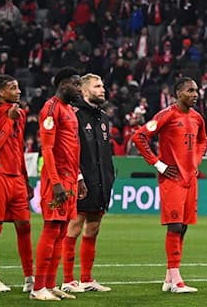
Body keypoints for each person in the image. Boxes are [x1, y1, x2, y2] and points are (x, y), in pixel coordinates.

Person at [133, 77, 207, 293]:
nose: (195, 94)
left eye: (196, 91)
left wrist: (196, 161)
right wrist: (158, 164)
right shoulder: (167, 114)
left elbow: (203, 141)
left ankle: (169, 279)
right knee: (174, 226)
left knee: (183, 227)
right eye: (190, 91)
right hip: (171, 178)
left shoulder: (197, 118)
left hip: (189, 179)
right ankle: (176, 280)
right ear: (178, 93)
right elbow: (139, 137)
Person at [32, 67, 87, 301]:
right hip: (56, 180)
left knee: (62, 231)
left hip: (70, 178)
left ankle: (50, 284)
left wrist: (79, 178)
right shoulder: (51, 108)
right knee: (52, 228)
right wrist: (55, 182)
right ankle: (37, 288)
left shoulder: (70, 111)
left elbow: (73, 148)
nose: (79, 89)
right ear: (63, 84)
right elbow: (47, 148)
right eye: (75, 84)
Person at [0, 74, 34, 294]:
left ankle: (29, 278)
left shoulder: (19, 113)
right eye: (13, 88)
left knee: (25, 226)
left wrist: (26, 180)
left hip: (16, 178)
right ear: (1, 92)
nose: (18, 91)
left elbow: (18, 149)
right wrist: (9, 120)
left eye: (18, 87)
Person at [61, 74, 116, 293]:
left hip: (101, 179)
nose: (103, 89)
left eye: (102, 85)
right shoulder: (73, 115)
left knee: (93, 228)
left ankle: (86, 279)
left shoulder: (103, 117)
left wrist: (109, 176)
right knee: (74, 226)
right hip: (82, 179)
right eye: (97, 86)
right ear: (85, 91)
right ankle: (67, 279)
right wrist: (77, 177)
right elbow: (68, 150)